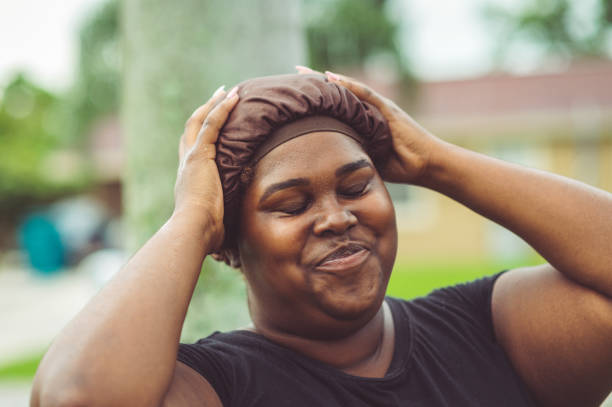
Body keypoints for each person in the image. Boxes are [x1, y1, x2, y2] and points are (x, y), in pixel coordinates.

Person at [30, 69, 612, 407]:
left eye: (357, 186)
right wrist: (193, 218)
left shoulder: (489, 331)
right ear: (229, 243)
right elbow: (77, 398)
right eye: (291, 204)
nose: (336, 218)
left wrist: (436, 162)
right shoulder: (223, 387)